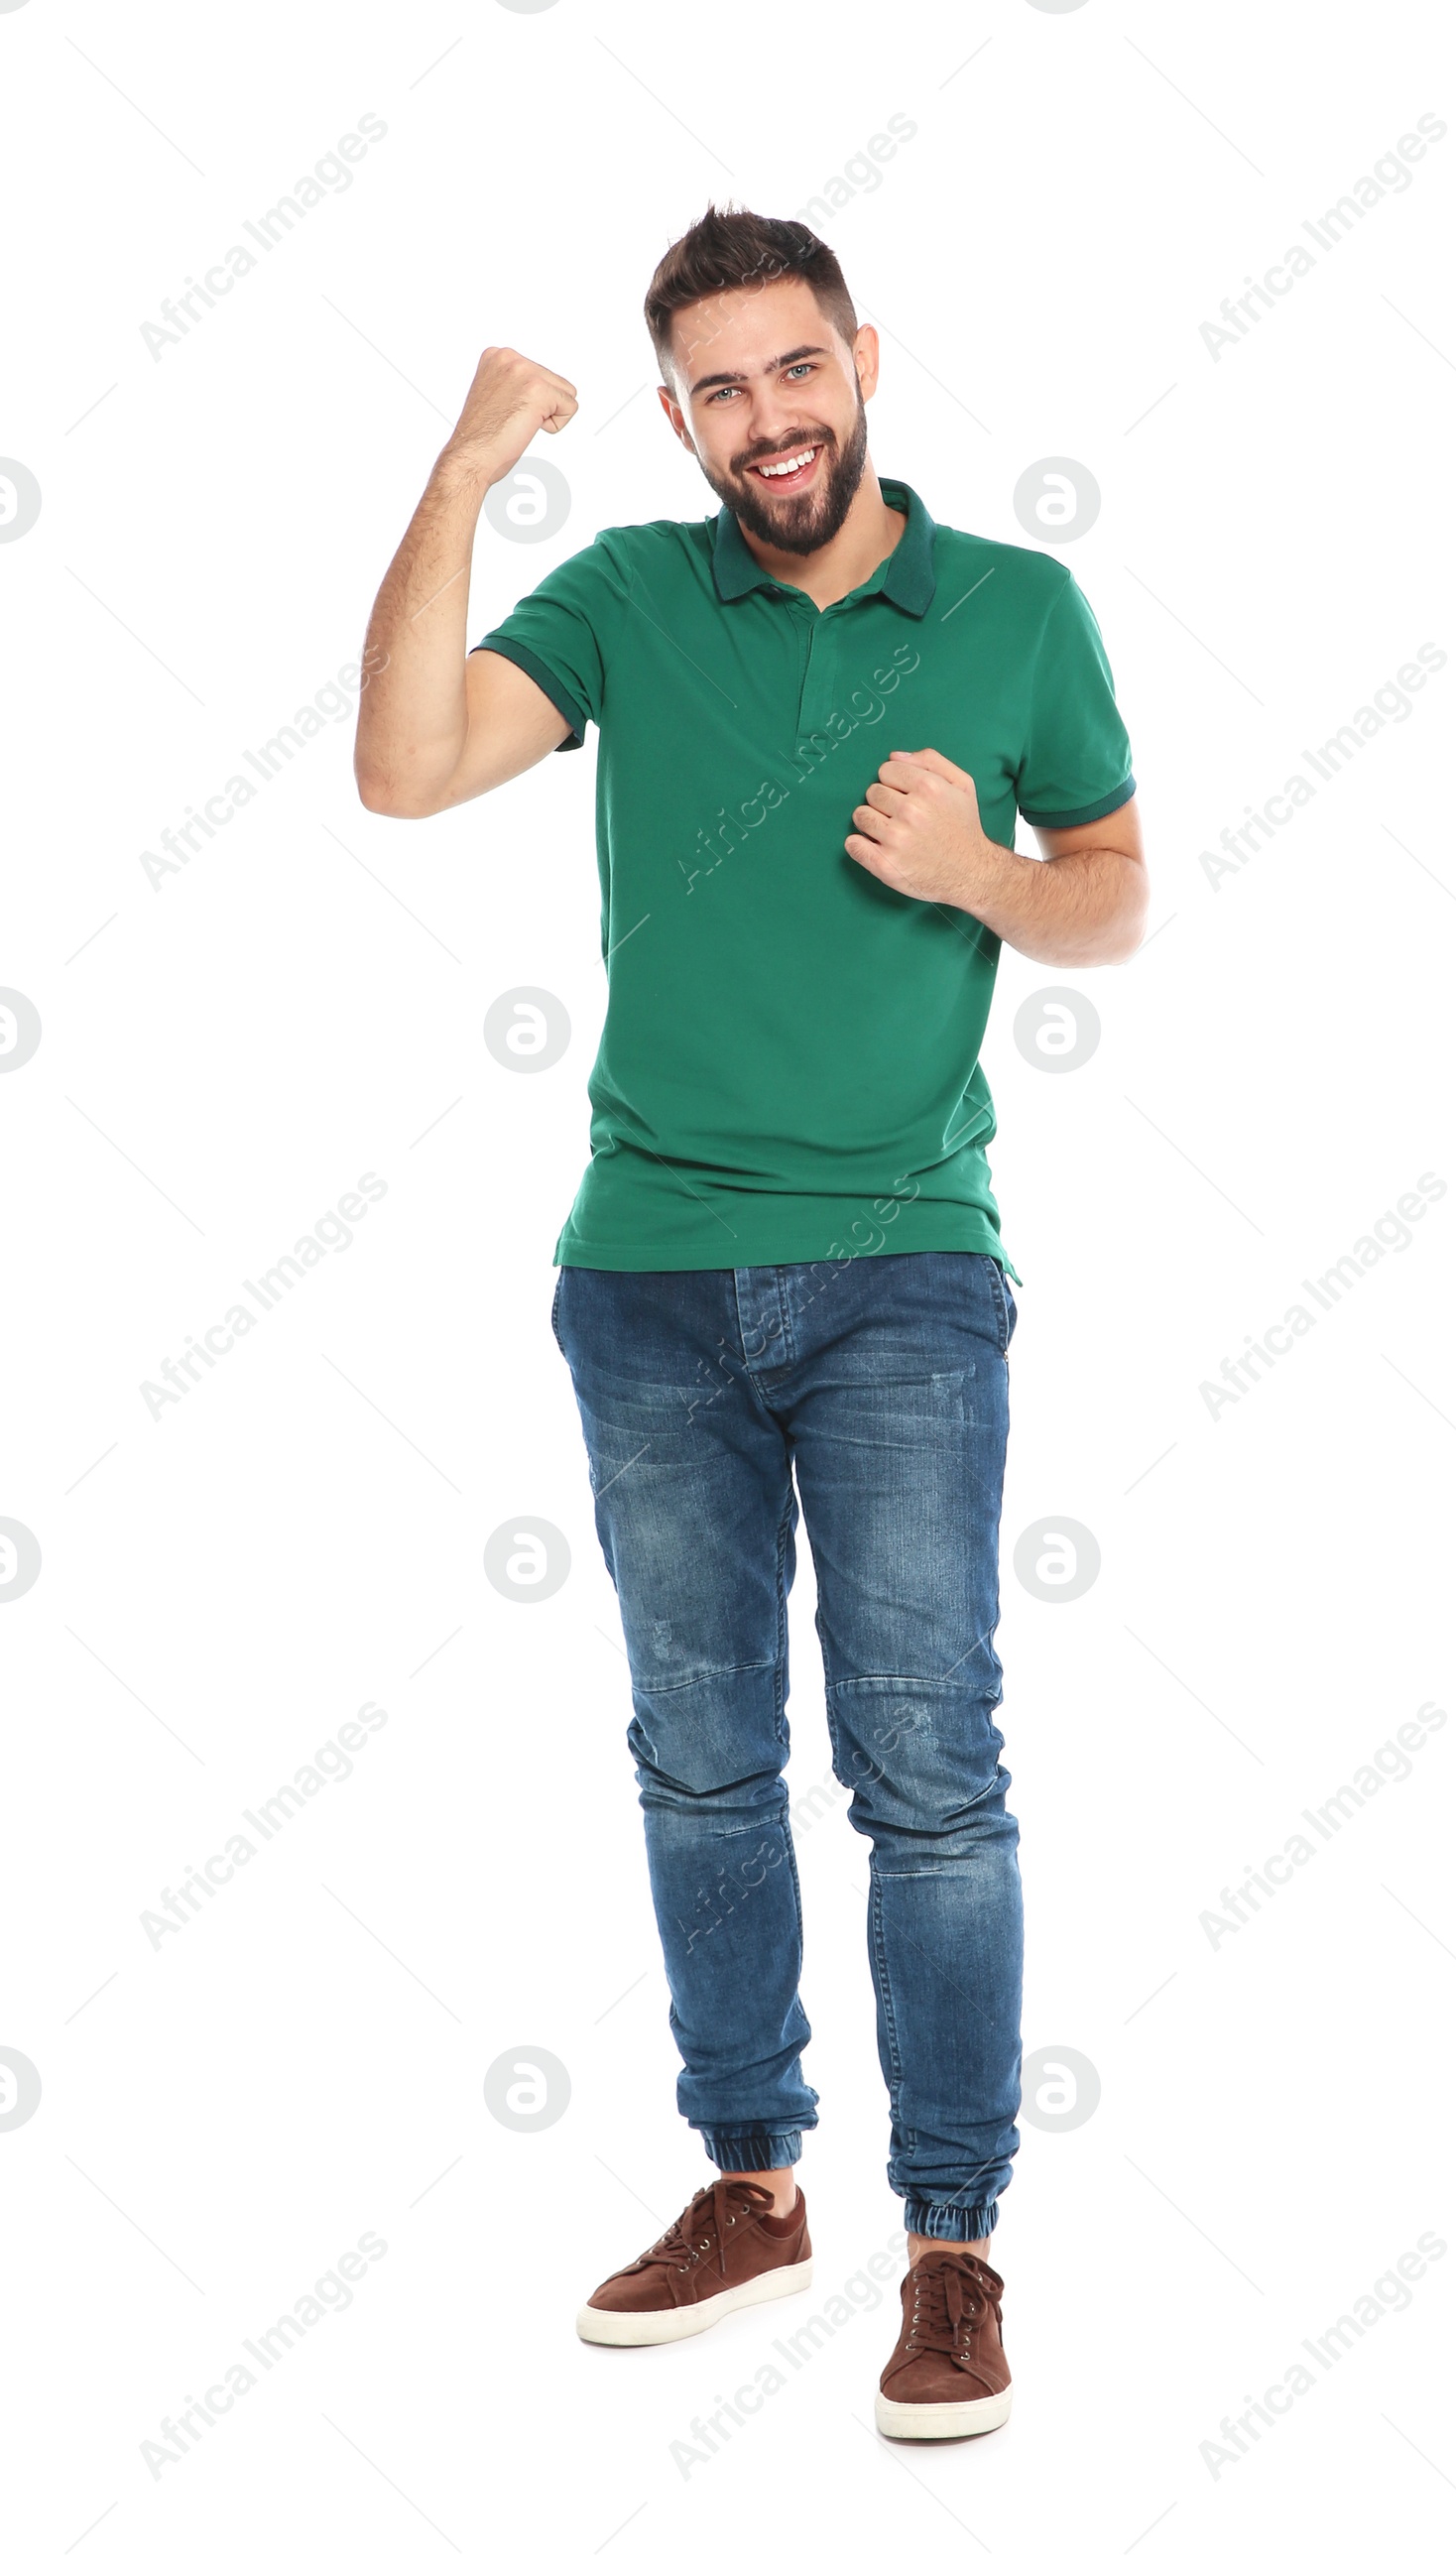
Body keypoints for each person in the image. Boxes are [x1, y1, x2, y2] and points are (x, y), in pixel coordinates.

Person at [354, 203, 1146, 2440]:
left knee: (927, 1771)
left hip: (904, 1259)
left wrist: (976, 872)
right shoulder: (626, 592)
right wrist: (462, 467)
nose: (765, 423)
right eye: (715, 390)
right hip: (642, 1275)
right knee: (695, 1757)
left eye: (794, 373)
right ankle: (749, 2178)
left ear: (860, 357)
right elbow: (403, 770)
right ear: (679, 408)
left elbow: (1112, 880)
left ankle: (953, 2241)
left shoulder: (1011, 607)